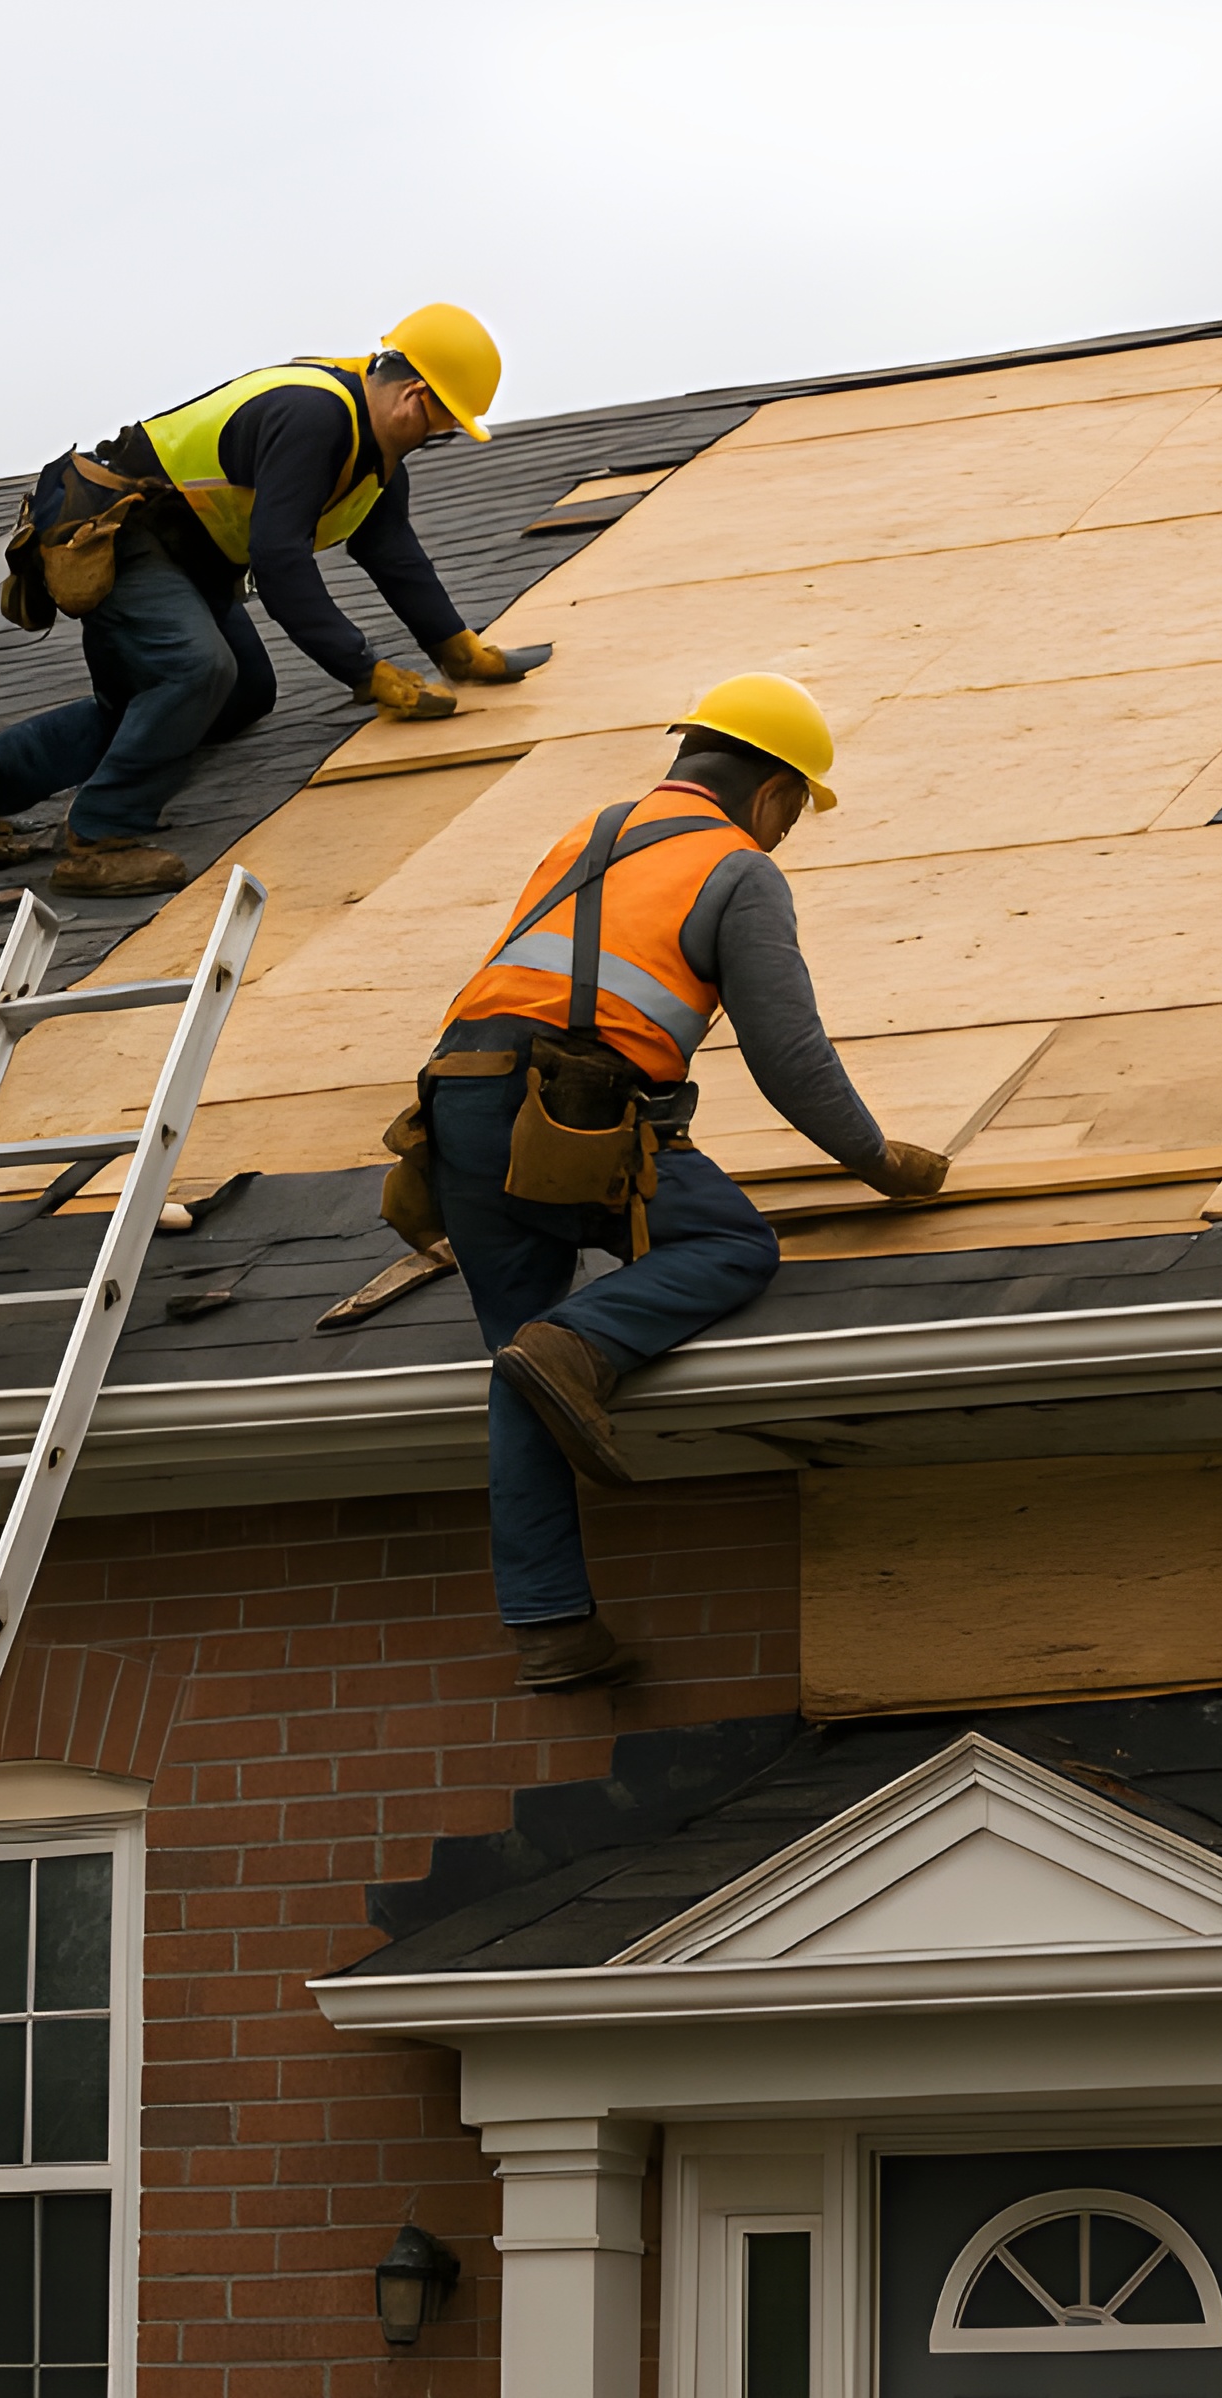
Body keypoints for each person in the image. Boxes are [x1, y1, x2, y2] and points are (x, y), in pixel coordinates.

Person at [421, 674, 946, 1693]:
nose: (789, 830)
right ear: (772, 790)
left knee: (517, 1367)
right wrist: (876, 1160)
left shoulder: (589, 834)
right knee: (727, 1246)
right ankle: (577, 1342)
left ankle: (549, 1626)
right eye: (795, 809)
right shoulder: (738, 868)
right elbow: (787, 1054)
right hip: (575, 1110)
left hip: (457, 1104)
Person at [0, 306, 550, 899]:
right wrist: (363, 669)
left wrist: (455, 647)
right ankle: (100, 838)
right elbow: (280, 561)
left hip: (188, 558)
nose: (430, 443)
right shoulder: (314, 417)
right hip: (128, 535)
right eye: (441, 429)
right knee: (194, 669)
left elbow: (393, 552)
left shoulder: (369, 451)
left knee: (235, 695)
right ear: (415, 399)